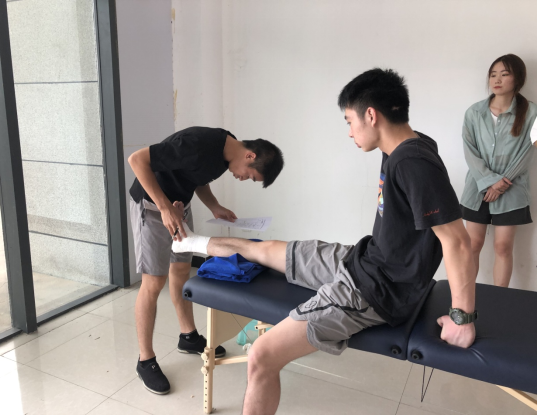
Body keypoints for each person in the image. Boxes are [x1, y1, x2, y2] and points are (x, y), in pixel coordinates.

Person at [173, 69, 478, 415]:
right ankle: (189, 242)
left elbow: (458, 242)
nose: (349, 131)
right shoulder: (405, 146)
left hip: (376, 292)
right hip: (364, 260)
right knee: (265, 249)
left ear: (371, 115)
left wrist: (462, 319)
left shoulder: (413, 162)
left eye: (349, 121)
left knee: (260, 355)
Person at [127, 126, 284, 395]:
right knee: (153, 282)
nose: (243, 179)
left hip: (178, 206)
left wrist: (214, 206)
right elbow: (137, 160)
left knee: (181, 270)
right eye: (250, 176)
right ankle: (145, 360)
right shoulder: (198, 144)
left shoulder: (225, 152)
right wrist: (164, 208)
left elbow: (197, 176)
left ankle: (188, 336)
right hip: (153, 206)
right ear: (250, 156)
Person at [460, 54, 537, 288]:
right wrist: (489, 181)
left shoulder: (532, 113)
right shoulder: (474, 113)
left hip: (512, 189)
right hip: (477, 188)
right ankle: (465, 300)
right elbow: (470, 151)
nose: (497, 79)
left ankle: (498, 300)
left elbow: (529, 152)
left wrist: (502, 183)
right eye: (493, 74)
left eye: (504, 74)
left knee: (503, 247)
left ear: (518, 79)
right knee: (472, 244)